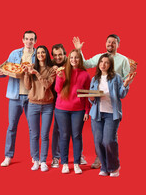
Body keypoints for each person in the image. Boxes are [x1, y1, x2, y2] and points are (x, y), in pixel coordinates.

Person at [73, 34, 137, 169]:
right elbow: (85, 64)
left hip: (112, 102)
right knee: (99, 137)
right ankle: (100, 158)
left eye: (114, 43)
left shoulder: (124, 60)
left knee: (110, 137)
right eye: (109, 42)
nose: (110, 44)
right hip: (98, 102)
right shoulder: (99, 58)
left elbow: (126, 79)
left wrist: (126, 84)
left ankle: (112, 162)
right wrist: (78, 50)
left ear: (118, 45)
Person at [89, 53, 136, 177]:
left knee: (109, 141)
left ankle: (114, 167)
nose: (103, 64)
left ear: (110, 65)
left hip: (111, 114)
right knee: (98, 142)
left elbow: (122, 94)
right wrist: (92, 98)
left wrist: (125, 84)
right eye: (101, 62)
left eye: (106, 62)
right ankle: (104, 167)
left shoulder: (116, 77)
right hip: (97, 114)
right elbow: (91, 98)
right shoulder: (95, 79)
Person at [0, 30, 37, 166]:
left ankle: (35, 157)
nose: (29, 41)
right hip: (15, 96)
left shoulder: (39, 55)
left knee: (33, 128)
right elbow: (6, 69)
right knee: (12, 127)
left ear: (35, 41)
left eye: (32, 39)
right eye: (27, 39)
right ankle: (8, 156)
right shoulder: (14, 54)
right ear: (23, 40)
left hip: (32, 97)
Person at [51, 44, 88, 168]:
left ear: (80, 59)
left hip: (78, 110)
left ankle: (77, 163)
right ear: (69, 58)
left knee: (77, 135)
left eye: (76, 57)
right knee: (64, 135)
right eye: (71, 57)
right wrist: (60, 78)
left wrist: (87, 111)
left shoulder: (85, 75)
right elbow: (57, 89)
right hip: (61, 109)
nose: (73, 60)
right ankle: (65, 163)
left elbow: (87, 94)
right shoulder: (62, 71)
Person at [23, 45, 57, 171]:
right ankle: (35, 160)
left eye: (43, 52)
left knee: (45, 135)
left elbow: (47, 84)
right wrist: (27, 74)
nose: (41, 54)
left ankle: (43, 161)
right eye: (38, 53)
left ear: (46, 54)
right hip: (33, 104)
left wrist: (36, 73)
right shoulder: (32, 67)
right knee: (34, 135)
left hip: (48, 105)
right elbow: (27, 86)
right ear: (36, 55)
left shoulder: (51, 69)